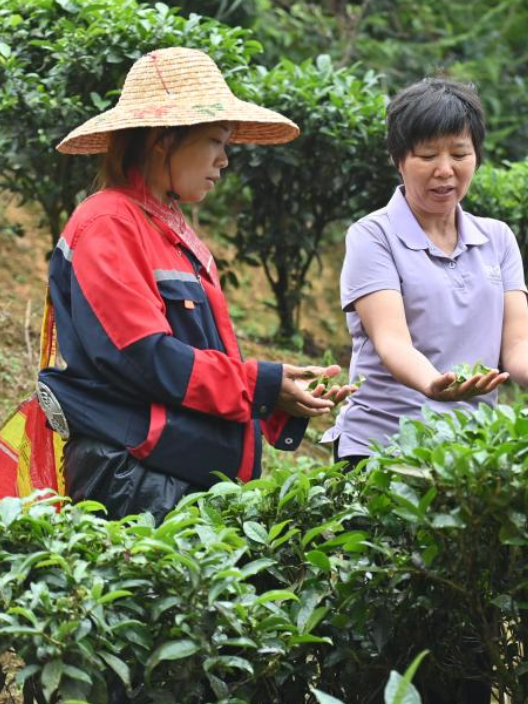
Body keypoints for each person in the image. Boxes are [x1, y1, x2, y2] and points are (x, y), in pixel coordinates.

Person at [39, 47, 352, 521]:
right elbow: (145, 358)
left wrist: (281, 396)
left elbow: (196, 361)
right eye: (214, 141)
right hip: (133, 478)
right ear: (162, 139)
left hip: (172, 470)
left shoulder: (165, 226)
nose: (224, 160)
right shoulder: (109, 223)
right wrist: (261, 385)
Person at [324, 77, 528, 473]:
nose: (445, 170)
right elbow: (392, 342)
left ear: (477, 157)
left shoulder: (498, 239)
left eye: (459, 153)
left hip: (469, 455)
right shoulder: (373, 236)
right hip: (380, 449)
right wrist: (433, 384)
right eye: (427, 155)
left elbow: (518, 343)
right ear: (399, 160)